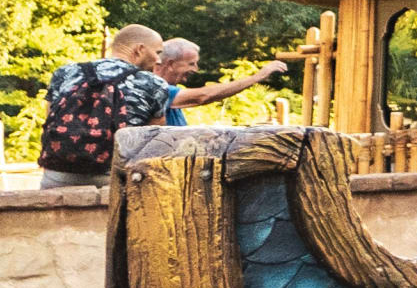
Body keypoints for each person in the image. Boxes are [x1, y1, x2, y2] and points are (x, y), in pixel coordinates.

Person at [37, 26, 180, 186]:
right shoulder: (153, 83)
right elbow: (153, 142)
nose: (159, 60)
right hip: (114, 178)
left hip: (58, 174)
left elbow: (50, 118)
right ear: (140, 49)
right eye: (158, 52)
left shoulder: (65, 73)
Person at [150, 37, 289, 127]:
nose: (196, 69)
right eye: (191, 64)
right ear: (170, 64)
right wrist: (257, 77)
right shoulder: (154, 87)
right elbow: (202, 97)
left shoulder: (171, 89)